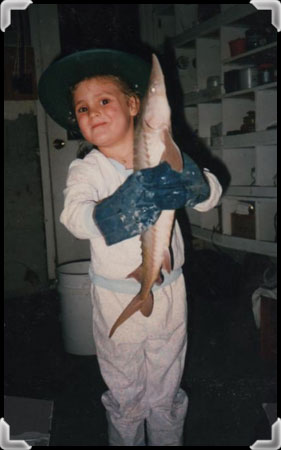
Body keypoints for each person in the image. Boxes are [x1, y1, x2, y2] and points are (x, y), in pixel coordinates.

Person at [38, 49, 222, 446]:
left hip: (170, 290)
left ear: (135, 105)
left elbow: (210, 195)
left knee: (165, 388)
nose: (93, 112)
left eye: (104, 101)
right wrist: (112, 214)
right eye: (83, 108)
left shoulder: (165, 153)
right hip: (115, 297)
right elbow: (74, 216)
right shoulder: (88, 169)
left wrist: (198, 185)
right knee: (125, 391)